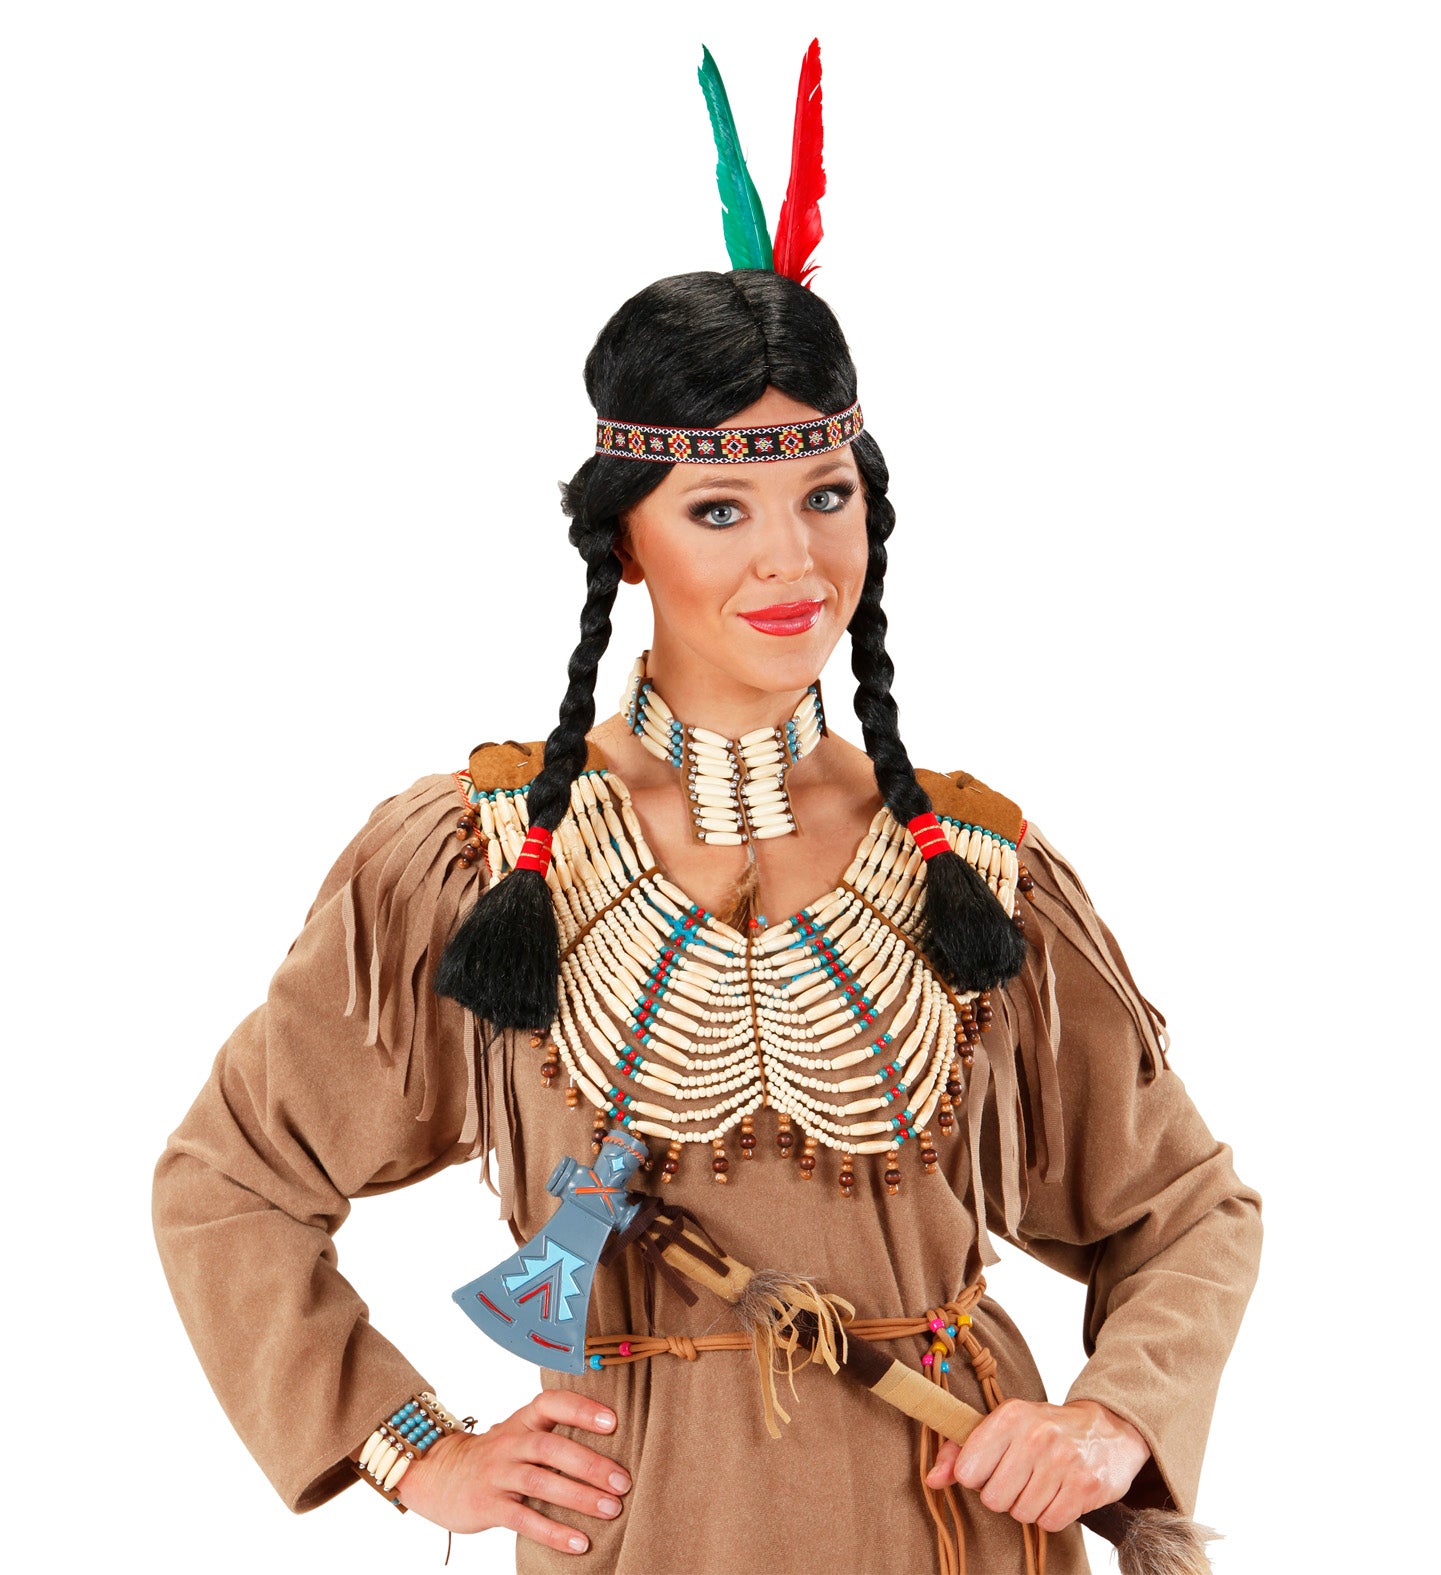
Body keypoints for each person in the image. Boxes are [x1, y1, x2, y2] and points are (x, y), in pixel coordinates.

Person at [153, 265, 1261, 1575]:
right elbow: (229, 1185)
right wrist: (415, 1452)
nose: (791, 559)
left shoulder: (972, 867)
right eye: (719, 508)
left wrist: (1112, 1422)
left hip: (950, 1522)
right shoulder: (483, 862)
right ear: (625, 539)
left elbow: (1184, 1209)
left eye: (825, 496)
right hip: (647, 1524)